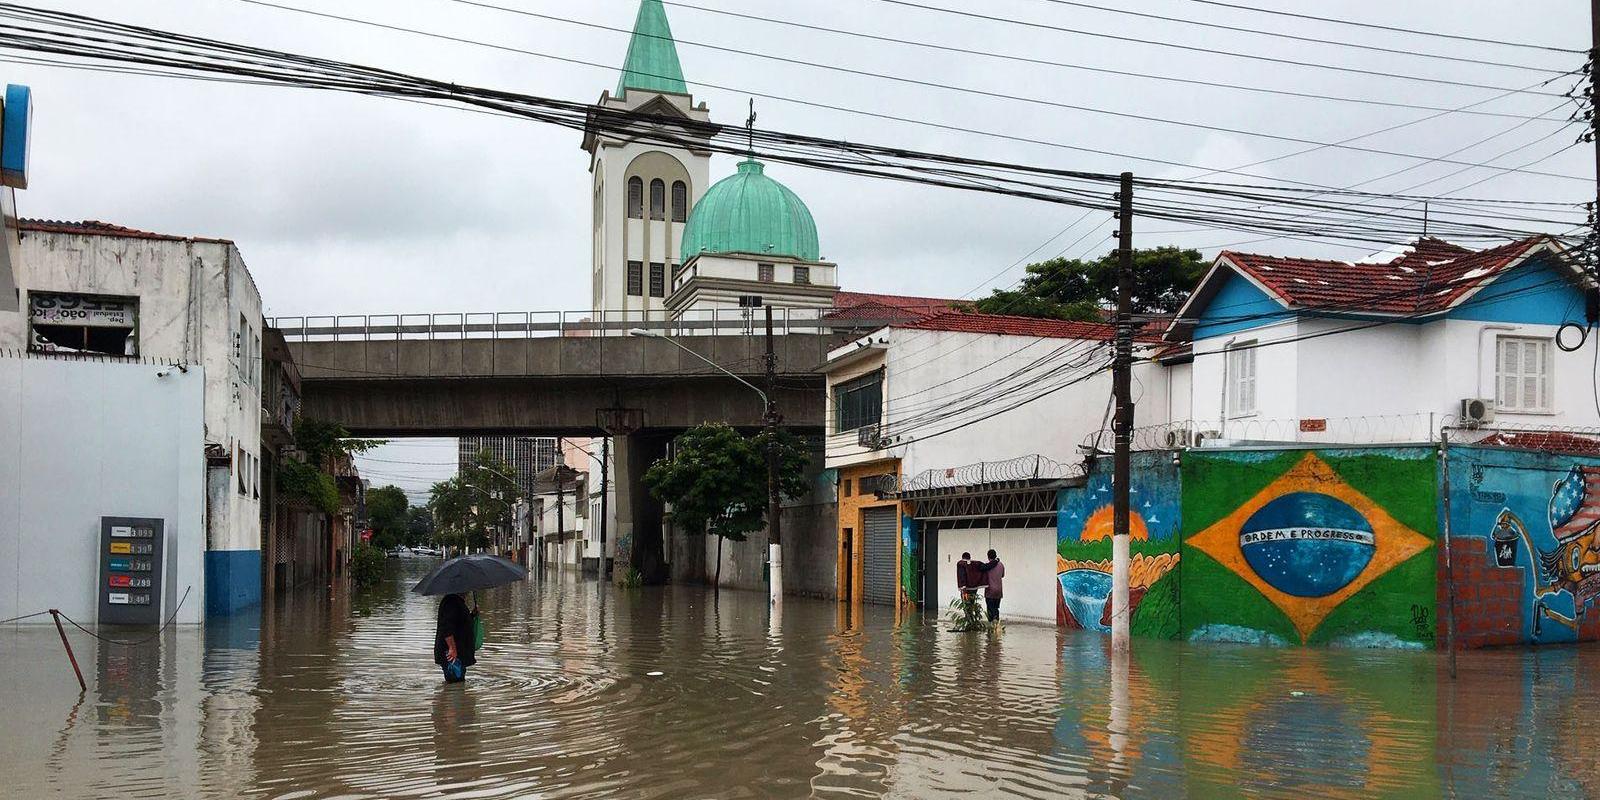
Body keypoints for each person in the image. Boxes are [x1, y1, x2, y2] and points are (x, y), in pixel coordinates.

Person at [433, 592, 477, 683]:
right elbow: (446, 627)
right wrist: (452, 648)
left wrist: (472, 615)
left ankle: (448, 695)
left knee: (457, 682)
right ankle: (448, 695)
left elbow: (459, 623)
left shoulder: (456, 602)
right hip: (452, 654)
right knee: (455, 682)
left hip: (458, 652)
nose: (468, 591)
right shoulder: (451, 602)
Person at [975, 549, 1005, 622]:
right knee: (996, 608)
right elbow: (1002, 575)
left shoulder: (987, 566)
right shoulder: (1001, 564)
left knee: (990, 609)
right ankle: (997, 624)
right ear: (996, 556)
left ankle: (992, 625)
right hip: (999, 591)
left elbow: (981, 570)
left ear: (988, 557)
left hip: (990, 591)